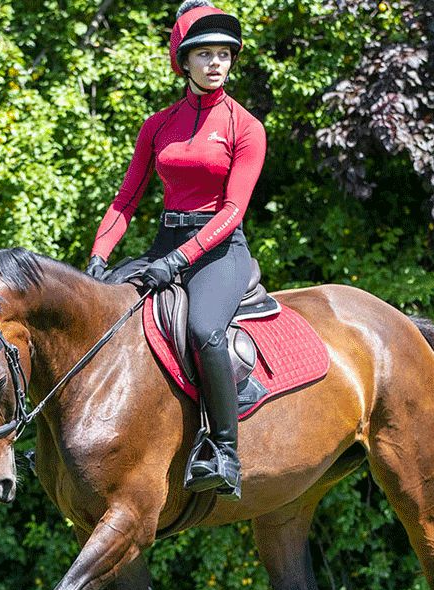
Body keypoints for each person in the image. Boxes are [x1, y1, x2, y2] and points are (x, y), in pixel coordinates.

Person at [86, 0, 266, 500]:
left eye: (224, 55)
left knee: (204, 329)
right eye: (204, 54)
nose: (215, 63)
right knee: (96, 312)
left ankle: (224, 452)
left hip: (219, 251)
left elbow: (233, 211)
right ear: (183, 62)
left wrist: (178, 261)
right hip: (166, 241)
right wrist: (99, 258)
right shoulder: (157, 125)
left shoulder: (244, 126)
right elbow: (125, 199)